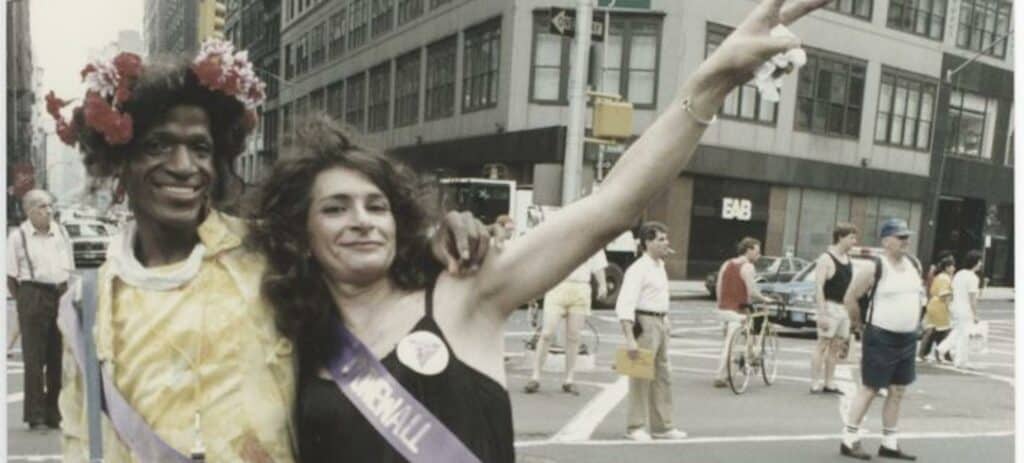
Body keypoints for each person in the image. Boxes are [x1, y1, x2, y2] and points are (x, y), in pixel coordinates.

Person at [253, 0, 830, 457]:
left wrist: (713, 78)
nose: (360, 221)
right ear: (299, 230)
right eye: (334, 209)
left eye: (375, 206)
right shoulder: (292, 332)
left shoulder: (464, 290)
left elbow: (613, 204)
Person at [51, 43, 488, 462]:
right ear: (119, 161)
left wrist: (433, 242)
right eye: (158, 146)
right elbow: (79, 435)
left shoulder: (269, 253)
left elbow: (364, 265)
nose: (184, 166)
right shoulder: (85, 303)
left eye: (200, 148)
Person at [840, 218, 923, 460]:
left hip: (907, 338)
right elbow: (850, 297)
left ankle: (889, 442)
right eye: (900, 237)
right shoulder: (875, 266)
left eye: (907, 237)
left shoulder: (914, 265)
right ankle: (850, 438)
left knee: (898, 390)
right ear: (886, 241)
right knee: (871, 388)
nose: (905, 241)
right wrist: (859, 326)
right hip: (881, 335)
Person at [6, 189, 75, 430]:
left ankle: (54, 412)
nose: (49, 211)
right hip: (32, 293)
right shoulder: (18, 237)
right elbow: (11, 277)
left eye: (50, 206)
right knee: (34, 359)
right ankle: (35, 415)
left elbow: (68, 266)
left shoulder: (61, 232)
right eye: (43, 207)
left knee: (57, 356)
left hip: (59, 293)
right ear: (30, 211)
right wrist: (26, 302)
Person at [614, 222, 686, 441]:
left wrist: (666, 321)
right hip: (644, 323)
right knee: (639, 376)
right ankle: (635, 426)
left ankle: (663, 426)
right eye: (661, 239)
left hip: (660, 322)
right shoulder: (638, 269)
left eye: (666, 238)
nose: (666, 243)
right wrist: (630, 339)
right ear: (647, 242)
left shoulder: (659, 266)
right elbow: (625, 303)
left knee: (663, 376)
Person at [524, 248, 607, 395]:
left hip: (581, 288)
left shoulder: (592, 236)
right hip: (558, 286)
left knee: (574, 336)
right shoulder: (562, 234)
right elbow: (544, 264)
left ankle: (569, 379)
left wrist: (602, 284)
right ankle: (535, 376)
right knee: (547, 333)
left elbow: (598, 264)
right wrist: (535, 289)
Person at [713, 237, 775, 388]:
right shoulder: (748, 267)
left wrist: (720, 303)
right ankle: (722, 375)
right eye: (757, 251)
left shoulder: (727, 264)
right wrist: (765, 299)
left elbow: (719, 286)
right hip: (738, 310)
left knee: (729, 341)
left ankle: (731, 370)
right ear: (748, 250)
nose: (758, 255)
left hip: (723, 308)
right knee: (733, 344)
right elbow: (752, 291)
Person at [809, 223, 858, 394]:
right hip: (830, 306)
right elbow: (819, 287)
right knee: (822, 344)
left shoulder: (848, 259)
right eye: (851, 237)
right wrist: (821, 313)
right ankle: (815, 381)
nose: (854, 241)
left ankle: (829, 382)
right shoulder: (826, 258)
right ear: (840, 237)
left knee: (836, 346)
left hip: (843, 308)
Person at [935, 250, 983, 369]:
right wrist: (975, 314)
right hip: (965, 309)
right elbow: (972, 299)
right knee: (964, 335)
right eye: (980, 261)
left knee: (958, 331)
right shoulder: (973, 278)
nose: (981, 264)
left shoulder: (959, 273)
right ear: (975, 263)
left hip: (955, 307)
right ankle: (961, 361)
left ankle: (941, 348)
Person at [918, 256, 954, 362]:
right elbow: (944, 295)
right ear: (947, 267)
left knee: (934, 331)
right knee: (943, 331)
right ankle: (942, 354)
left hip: (934, 304)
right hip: (940, 306)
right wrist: (950, 308)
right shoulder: (945, 278)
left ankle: (925, 353)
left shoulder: (939, 276)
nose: (953, 268)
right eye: (952, 266)